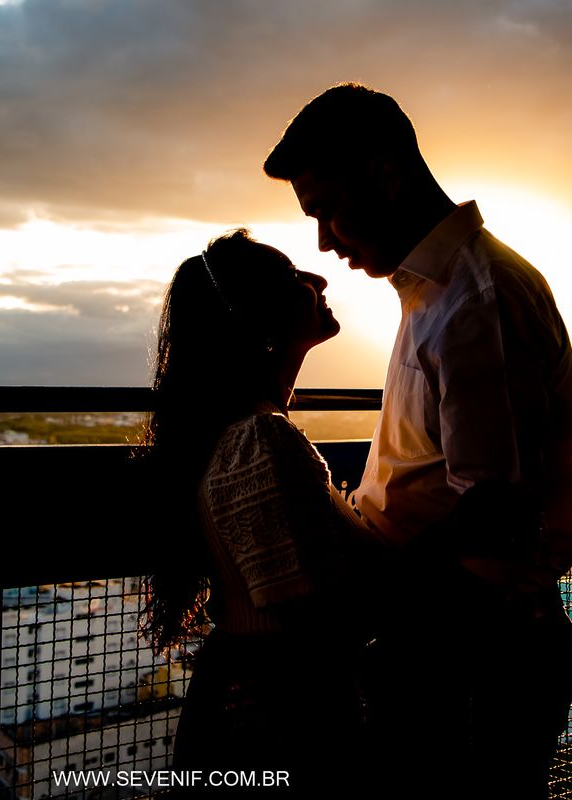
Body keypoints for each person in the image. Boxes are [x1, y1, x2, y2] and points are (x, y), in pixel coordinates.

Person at [263, 82, 572, 799]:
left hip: (473, 653)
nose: (324, 241)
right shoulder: (441, 293)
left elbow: (496, 512)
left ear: (384, 173)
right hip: (456, 638)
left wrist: (373, 596)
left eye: (327, 211)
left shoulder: (478, 300)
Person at [141, 229, 382, 796]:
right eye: (294, 276)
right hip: (279, 721)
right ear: (261, 318)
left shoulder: (242, 430)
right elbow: (311, 617)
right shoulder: (260, 439)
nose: (318, 279)